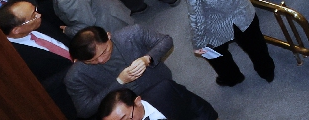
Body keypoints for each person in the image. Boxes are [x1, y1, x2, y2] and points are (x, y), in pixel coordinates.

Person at [65, 25, 216, 120]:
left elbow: (165, 40)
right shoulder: (75, 77)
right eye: (91, 61)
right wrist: (119, 83)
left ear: (109, 36)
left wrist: (147, 58)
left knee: (187, 108)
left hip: (163, 90)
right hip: (129, 113)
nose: (100, 60)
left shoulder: (131, 34)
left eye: (104, 52)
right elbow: (85, 110)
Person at [0, 1, 78, 119]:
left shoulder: (39, 24)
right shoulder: (12, 57)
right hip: (70, 97)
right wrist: (76, 68)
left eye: (35, 11)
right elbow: (40, 87)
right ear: (16, 30)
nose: (38, 15)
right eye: (33, 16)